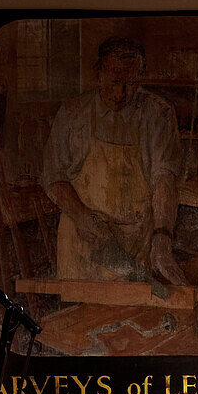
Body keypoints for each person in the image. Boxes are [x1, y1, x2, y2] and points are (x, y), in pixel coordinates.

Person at [43, 36, 185, 285]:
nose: (121, 93)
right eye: (114, 81)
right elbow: (53, 177)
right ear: (98, 74)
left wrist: (162, 239)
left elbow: (165, 178)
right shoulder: (72, 113)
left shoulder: (158, 113)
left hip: (137, 242)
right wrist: (80, 216)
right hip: (82, 241)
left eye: (130, 83)